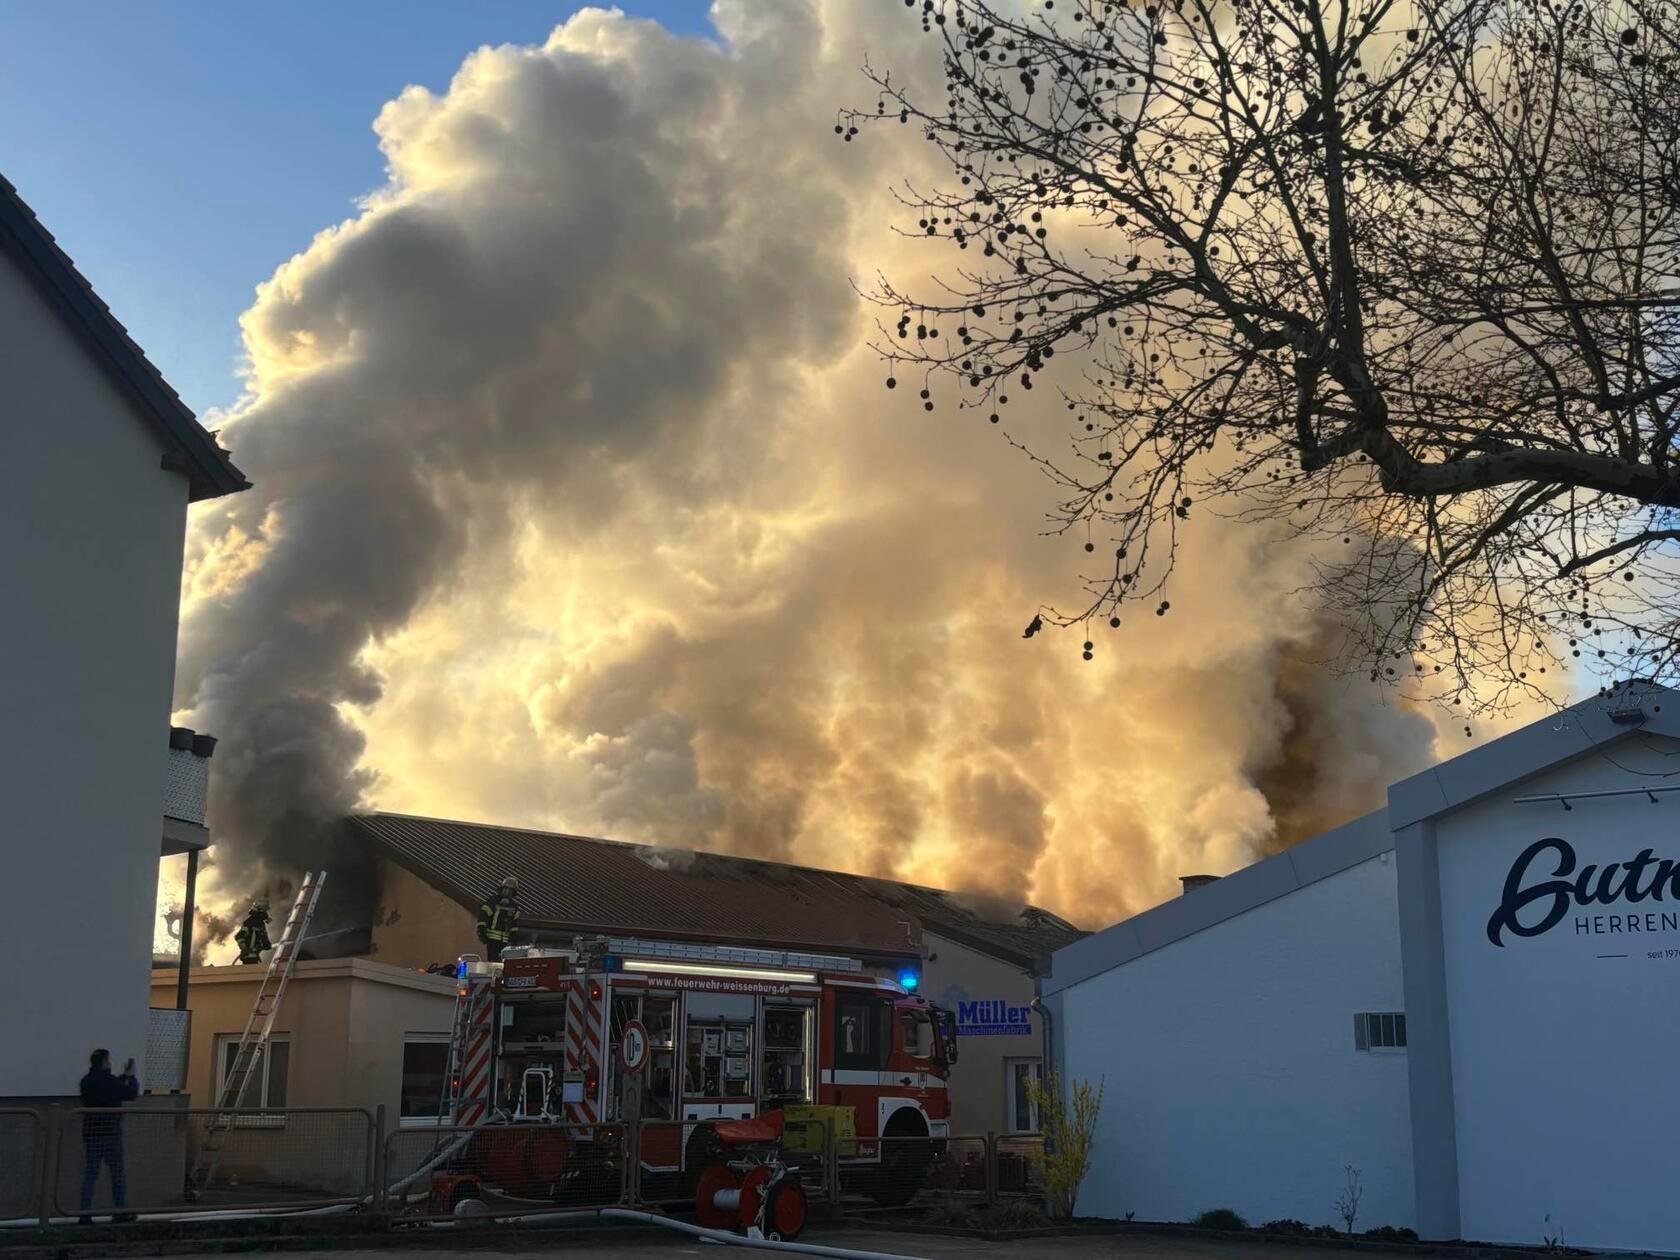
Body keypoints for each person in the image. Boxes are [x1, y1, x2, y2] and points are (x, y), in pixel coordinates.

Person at [78, 1049, 138, 1224]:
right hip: (110, 1133)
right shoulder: (110, 1082)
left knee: (90, 1175)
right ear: (105, 1062)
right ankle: (119, 1211)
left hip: (91, 1133)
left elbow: (106, 1088)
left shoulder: (86, 1081)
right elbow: (130, 1093)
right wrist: (131, 1077)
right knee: (117, 1174)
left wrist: (123, 1076)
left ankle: (84, 1213)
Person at [475, 876, 520, 961]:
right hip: (492, 939)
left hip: (505, 942)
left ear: (513, 892)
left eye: (510, 890)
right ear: (501, 889)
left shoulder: (514, 906)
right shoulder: (493, 901)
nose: (507, 892)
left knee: (504, 963)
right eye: (505, 889)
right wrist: (482, 932)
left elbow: (514, 924)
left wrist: (513, 939)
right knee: (493, 962)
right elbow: (483, 916)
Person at [233, 898, 272, 965]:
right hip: (248, 956)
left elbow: (263, 936)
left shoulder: (260, 923)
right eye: (264, 911)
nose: (265, 914)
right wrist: (244, 948)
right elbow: (239, 936)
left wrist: (266, 944)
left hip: (255, 955)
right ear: (259, 911)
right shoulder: (249, 922)